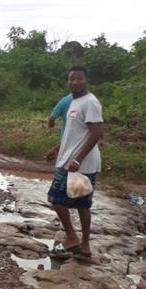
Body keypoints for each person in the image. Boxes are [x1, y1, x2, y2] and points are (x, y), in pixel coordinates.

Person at [47, 65, 104, 261]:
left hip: (81, 164)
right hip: (70, 161)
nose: (75, 82)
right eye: (72, 79)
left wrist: (78, 159)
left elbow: (96, 133)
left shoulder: (90, 102)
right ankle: (84, 246)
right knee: (81, 205)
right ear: (68, 81)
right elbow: (74, 134)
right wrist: (57, 149)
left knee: (56, 198)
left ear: (86, 80)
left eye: (79, 78)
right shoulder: (73, 102)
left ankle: (72, 237)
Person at [44, 92, 73, 161]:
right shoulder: (90, 100)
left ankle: (54, 152)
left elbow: (52, 118)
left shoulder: (65, 100)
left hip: (67, 138)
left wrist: (51, 124)